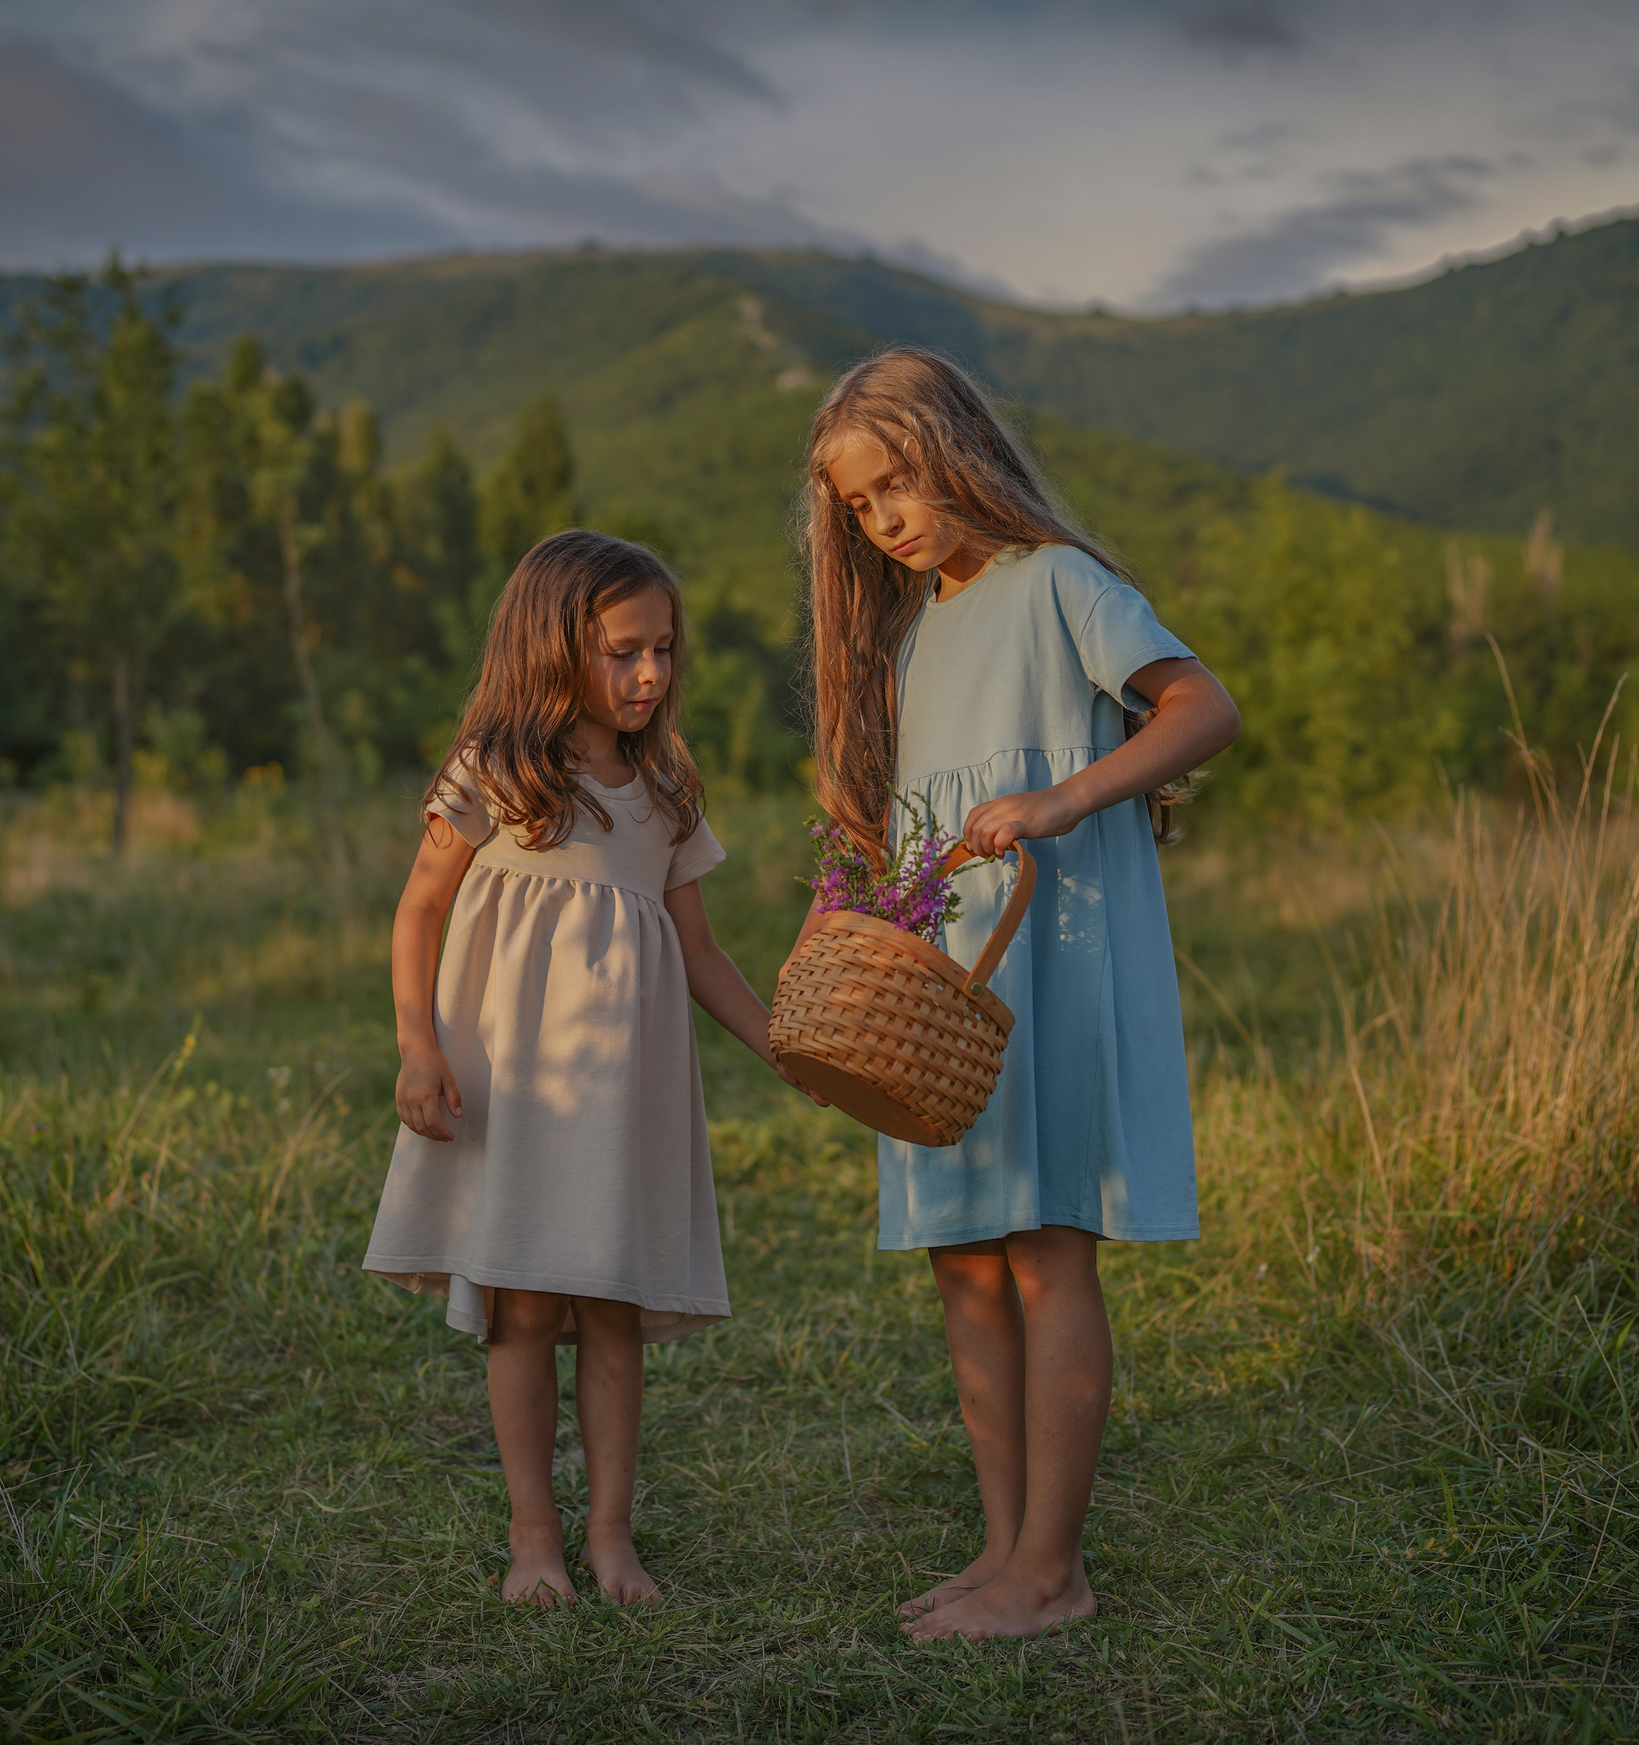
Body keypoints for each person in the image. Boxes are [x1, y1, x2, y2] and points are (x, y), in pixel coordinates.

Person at [795, 348, 1243, 1640]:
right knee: (963, 1259)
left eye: (896, 483)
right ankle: (1003, 1549)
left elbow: (1202, 706)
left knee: (1047, 1252)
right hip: (948, 996)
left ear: (959, 450)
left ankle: (1054, 1567)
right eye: (859, 505)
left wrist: (1065, 796)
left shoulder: (1061, 586)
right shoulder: (915, 630)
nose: (884, 517)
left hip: (1055, 962)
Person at [366, 528, 799, 1607]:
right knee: (519, 1306)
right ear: (551, 647)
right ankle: (533, 1540)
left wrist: (788, 1046)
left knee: (610, 1305)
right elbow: (418, 910)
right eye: (622, 651)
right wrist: (418, 1046)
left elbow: (699, 950)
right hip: (514, 1087)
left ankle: (612, 1537)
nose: (650, 673)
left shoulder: (666, 784)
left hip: (623, 1099)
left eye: (662, 648)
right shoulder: (499, 771)